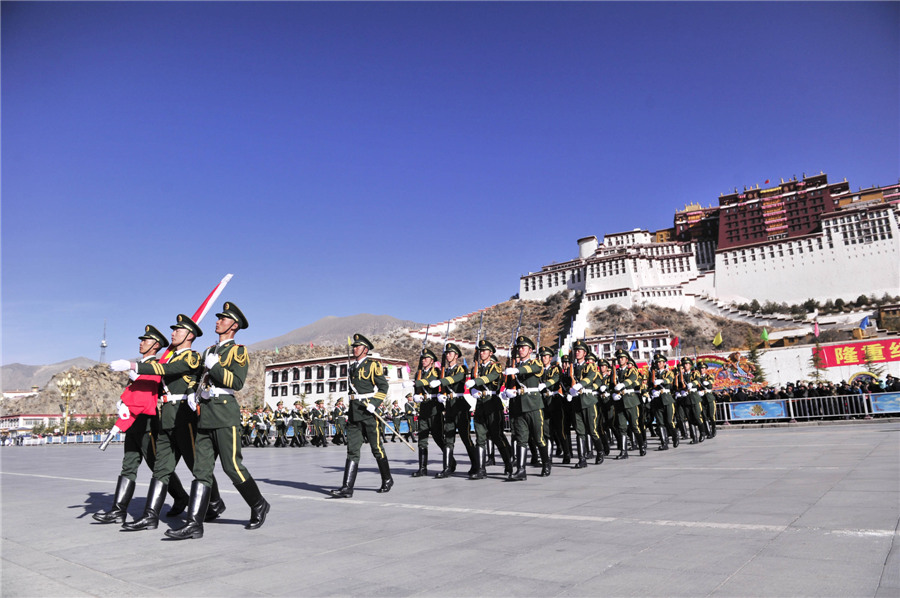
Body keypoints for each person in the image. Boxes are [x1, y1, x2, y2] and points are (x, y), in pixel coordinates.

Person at [111, 314, 226, 532]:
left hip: (185, 419)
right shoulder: (169, 359)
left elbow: (167, 370)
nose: (173, 333)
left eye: (178, 330)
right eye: (173, 330)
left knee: (196, 466)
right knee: (161, 469)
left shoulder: (191, 357)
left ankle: (214, 501)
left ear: (189, 335)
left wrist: (133, 365)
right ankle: (150, 516)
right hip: (166, 418)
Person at [166, 302, 270, 540]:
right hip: (206, 415)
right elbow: (201, 379)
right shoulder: (207, 352)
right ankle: (194, 524)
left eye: (223, 319)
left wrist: (217, 369)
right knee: (201, 470)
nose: (217, 321)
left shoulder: (238, 351)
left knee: (232, 466)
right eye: (219, 318)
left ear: (233, 325)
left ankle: (259, 504)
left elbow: (236, 382)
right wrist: (195, 393)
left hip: (225, 414)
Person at [95, 325, 188, 524]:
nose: (141, 343)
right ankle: (118, 510)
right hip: (133, 423)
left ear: (155, 345)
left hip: (148, 423)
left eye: (145, 340)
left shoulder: (156, 365)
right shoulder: (140, 366)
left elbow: (149, 393)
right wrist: (122, 402)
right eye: (142, 340)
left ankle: (180, 496)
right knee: (128, 465)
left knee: (157, 467)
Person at [330, 334, 393, 498]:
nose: (354, 349)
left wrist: (374, 403)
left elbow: (383, 387)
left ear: (365, 349)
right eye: (354, 346)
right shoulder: (351, 367)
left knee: (376, 448)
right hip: (354, 413)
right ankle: (347, 487)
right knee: (352, 450)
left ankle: (387, 479)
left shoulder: (373, 365)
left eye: (357, 346)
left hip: (368, 412)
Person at [503, 335, 550, 480]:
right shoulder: (514, 366)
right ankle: (521, 470)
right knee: (520, 438)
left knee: (539, 438)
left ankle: (546, 463)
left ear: (530, 350)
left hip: (533, 405)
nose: (521, 349)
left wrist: (516, 371)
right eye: (519, 347)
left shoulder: (536, 363)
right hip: (518, 406)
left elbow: (534, 369)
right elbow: (511, 384)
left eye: (523, 347)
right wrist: (508, 392)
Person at [466, 339, 513, 479]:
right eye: (480, 351)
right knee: (480, 437)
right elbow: (474, 383)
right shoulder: (477, 368)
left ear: (490, 353)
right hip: (480, 404)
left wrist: (475, 382)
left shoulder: (495, 366)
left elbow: (492, 377)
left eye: (485, 351)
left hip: (493, 403)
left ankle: (509, 463)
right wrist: (474, 390)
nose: (482, 353)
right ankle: (481, 470)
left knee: (497, 436)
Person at [430, 343, 477, 479]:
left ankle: (475, 465)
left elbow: (457, 378)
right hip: (450, 407)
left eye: (450, 353)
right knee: (448, 439)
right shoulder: (445, 370)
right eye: (447, 353)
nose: (448, 355)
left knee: (466, 438)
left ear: (456, 355)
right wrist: (441, 394)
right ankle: (448, 467)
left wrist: (441, 382)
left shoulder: (461, 368)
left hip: (461, 407)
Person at [410, 348, 450, 478]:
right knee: (422, 439)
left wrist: (415, 382)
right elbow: (417, 389)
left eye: (426, 358)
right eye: (422, 358)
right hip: (424, 409)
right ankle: (422, 468)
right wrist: (416, 395)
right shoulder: (418, 373)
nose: (423, 360)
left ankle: (450, 463)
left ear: (432, 361)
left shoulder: (437, 372)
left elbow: (429, 382)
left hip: (435, 409)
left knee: (439, 438)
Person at [565, 341, 603, 468]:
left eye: (580, 350)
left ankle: (600, 451)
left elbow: (591, 376)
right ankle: (582, 459)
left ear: (585, 353)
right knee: (580, 431)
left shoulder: (589, 366)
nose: (577, 352)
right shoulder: (573, 367)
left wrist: (579, 385)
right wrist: (569, 392)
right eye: (576, 350)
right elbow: (567, 381)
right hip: (576, 402)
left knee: (592, 430)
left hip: (588, 401)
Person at [613, 349, 646, 458]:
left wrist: (622, 384)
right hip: (619, 402)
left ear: (627, 360)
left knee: (634, 426)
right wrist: (613, 393)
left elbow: (632, 378)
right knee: (622, 427)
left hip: (631, 401)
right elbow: (611, 384)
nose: (620, 359)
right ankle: (623, 452)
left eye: (622, 358)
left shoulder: (631, 370)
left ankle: (641, 446)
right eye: (618, 358)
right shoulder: (616, 372)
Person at [648, 353, 678, 450]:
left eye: (660, 362)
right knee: (660, 423)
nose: (658, 364)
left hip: (667, 400)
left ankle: (675, 436)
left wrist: (661, 381)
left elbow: (669, 380)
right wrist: (651, 391)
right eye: (657, 362)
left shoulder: (668, 372)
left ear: (664, 363)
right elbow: (649, 385)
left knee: (669, 421)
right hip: (657, 401)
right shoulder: (652, 374)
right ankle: (664, 442)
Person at [698, 362, 717, 438]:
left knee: (712, 416)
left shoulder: (709, 376)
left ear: (706, 369)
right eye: (700, 368)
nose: (701, 370)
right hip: (702, 399)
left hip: (709, 398)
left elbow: (712, 381)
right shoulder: (698, 378)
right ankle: (708, 431)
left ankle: (713, 430)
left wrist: (708, 382)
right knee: (704, 416)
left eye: (703, 368)